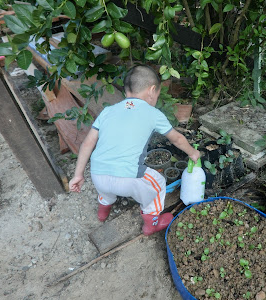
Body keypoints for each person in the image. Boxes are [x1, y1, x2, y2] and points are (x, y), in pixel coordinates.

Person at [68, 65, 200, 236]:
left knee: (106, 191)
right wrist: (193, 153)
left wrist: (78, 175)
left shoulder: (107, 111)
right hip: (129, 178)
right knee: (159, 183)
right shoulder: (153, 113)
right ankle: (151, 224)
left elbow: (87, 144)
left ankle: (103, 210)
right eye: (157, 95)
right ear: (152, 90)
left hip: (98, 175)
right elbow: (177, 138)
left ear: (126, 90)